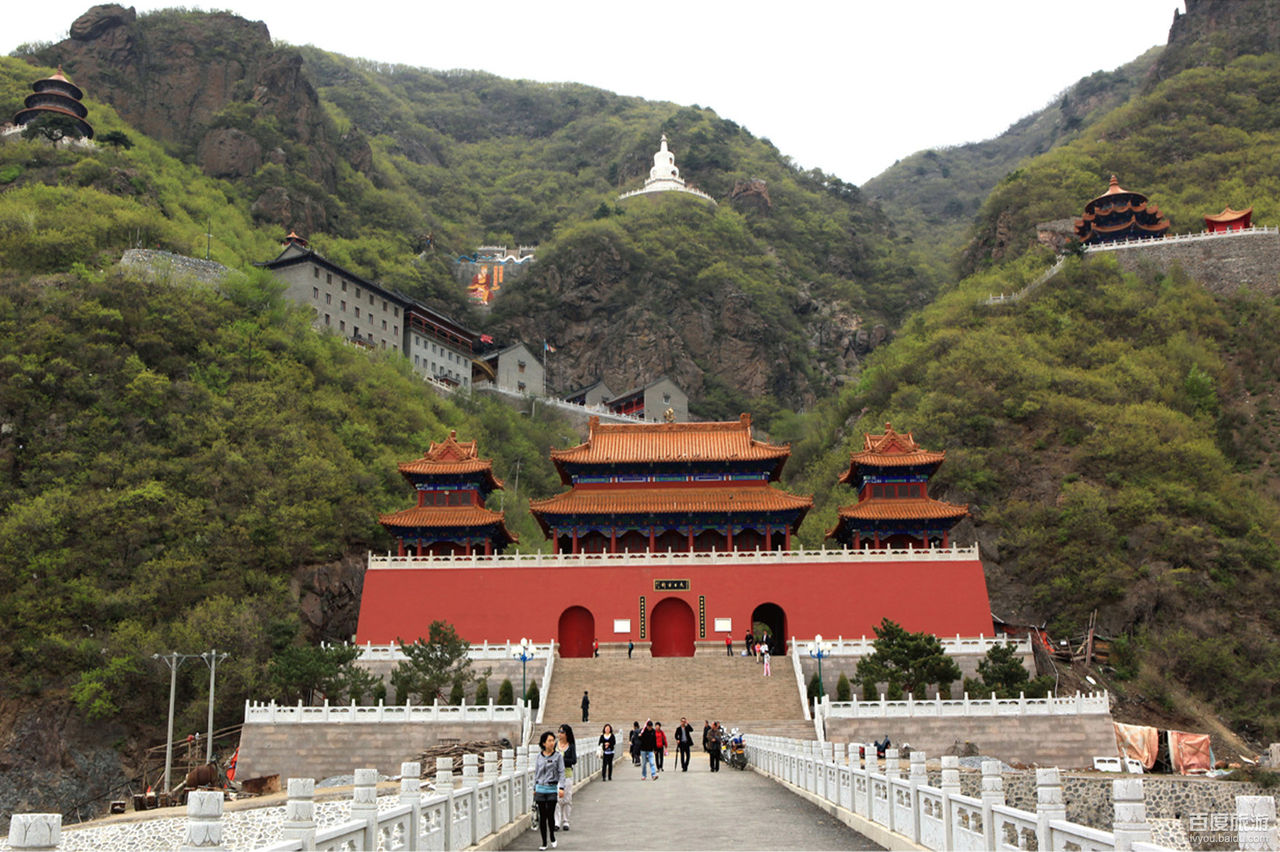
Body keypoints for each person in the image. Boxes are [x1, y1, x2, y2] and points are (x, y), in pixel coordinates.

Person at [533, 730, 563, 851]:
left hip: (551, 789)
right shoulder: (539, 757)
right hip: (540, 788)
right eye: (549, 741)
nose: (552, 742)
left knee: (550, 815)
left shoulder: (558, 756)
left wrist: (561, 787)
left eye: (553, 740)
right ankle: (544, 842)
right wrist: (534, 787)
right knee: (542, 816)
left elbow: (561, 772)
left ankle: (552, 836)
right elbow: (536, 773)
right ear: (544, 743)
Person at [555, 724, 576, 831]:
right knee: (557, 798)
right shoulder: (555, 745)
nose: (560, 734)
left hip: (567, 775)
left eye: (562, 732)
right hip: (556, 776)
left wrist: (561, 759)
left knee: (567, 798)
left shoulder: (571, 745)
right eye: (559, 732)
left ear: (567, 734)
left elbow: (574, 760)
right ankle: (557, 821)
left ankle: (566, 820)